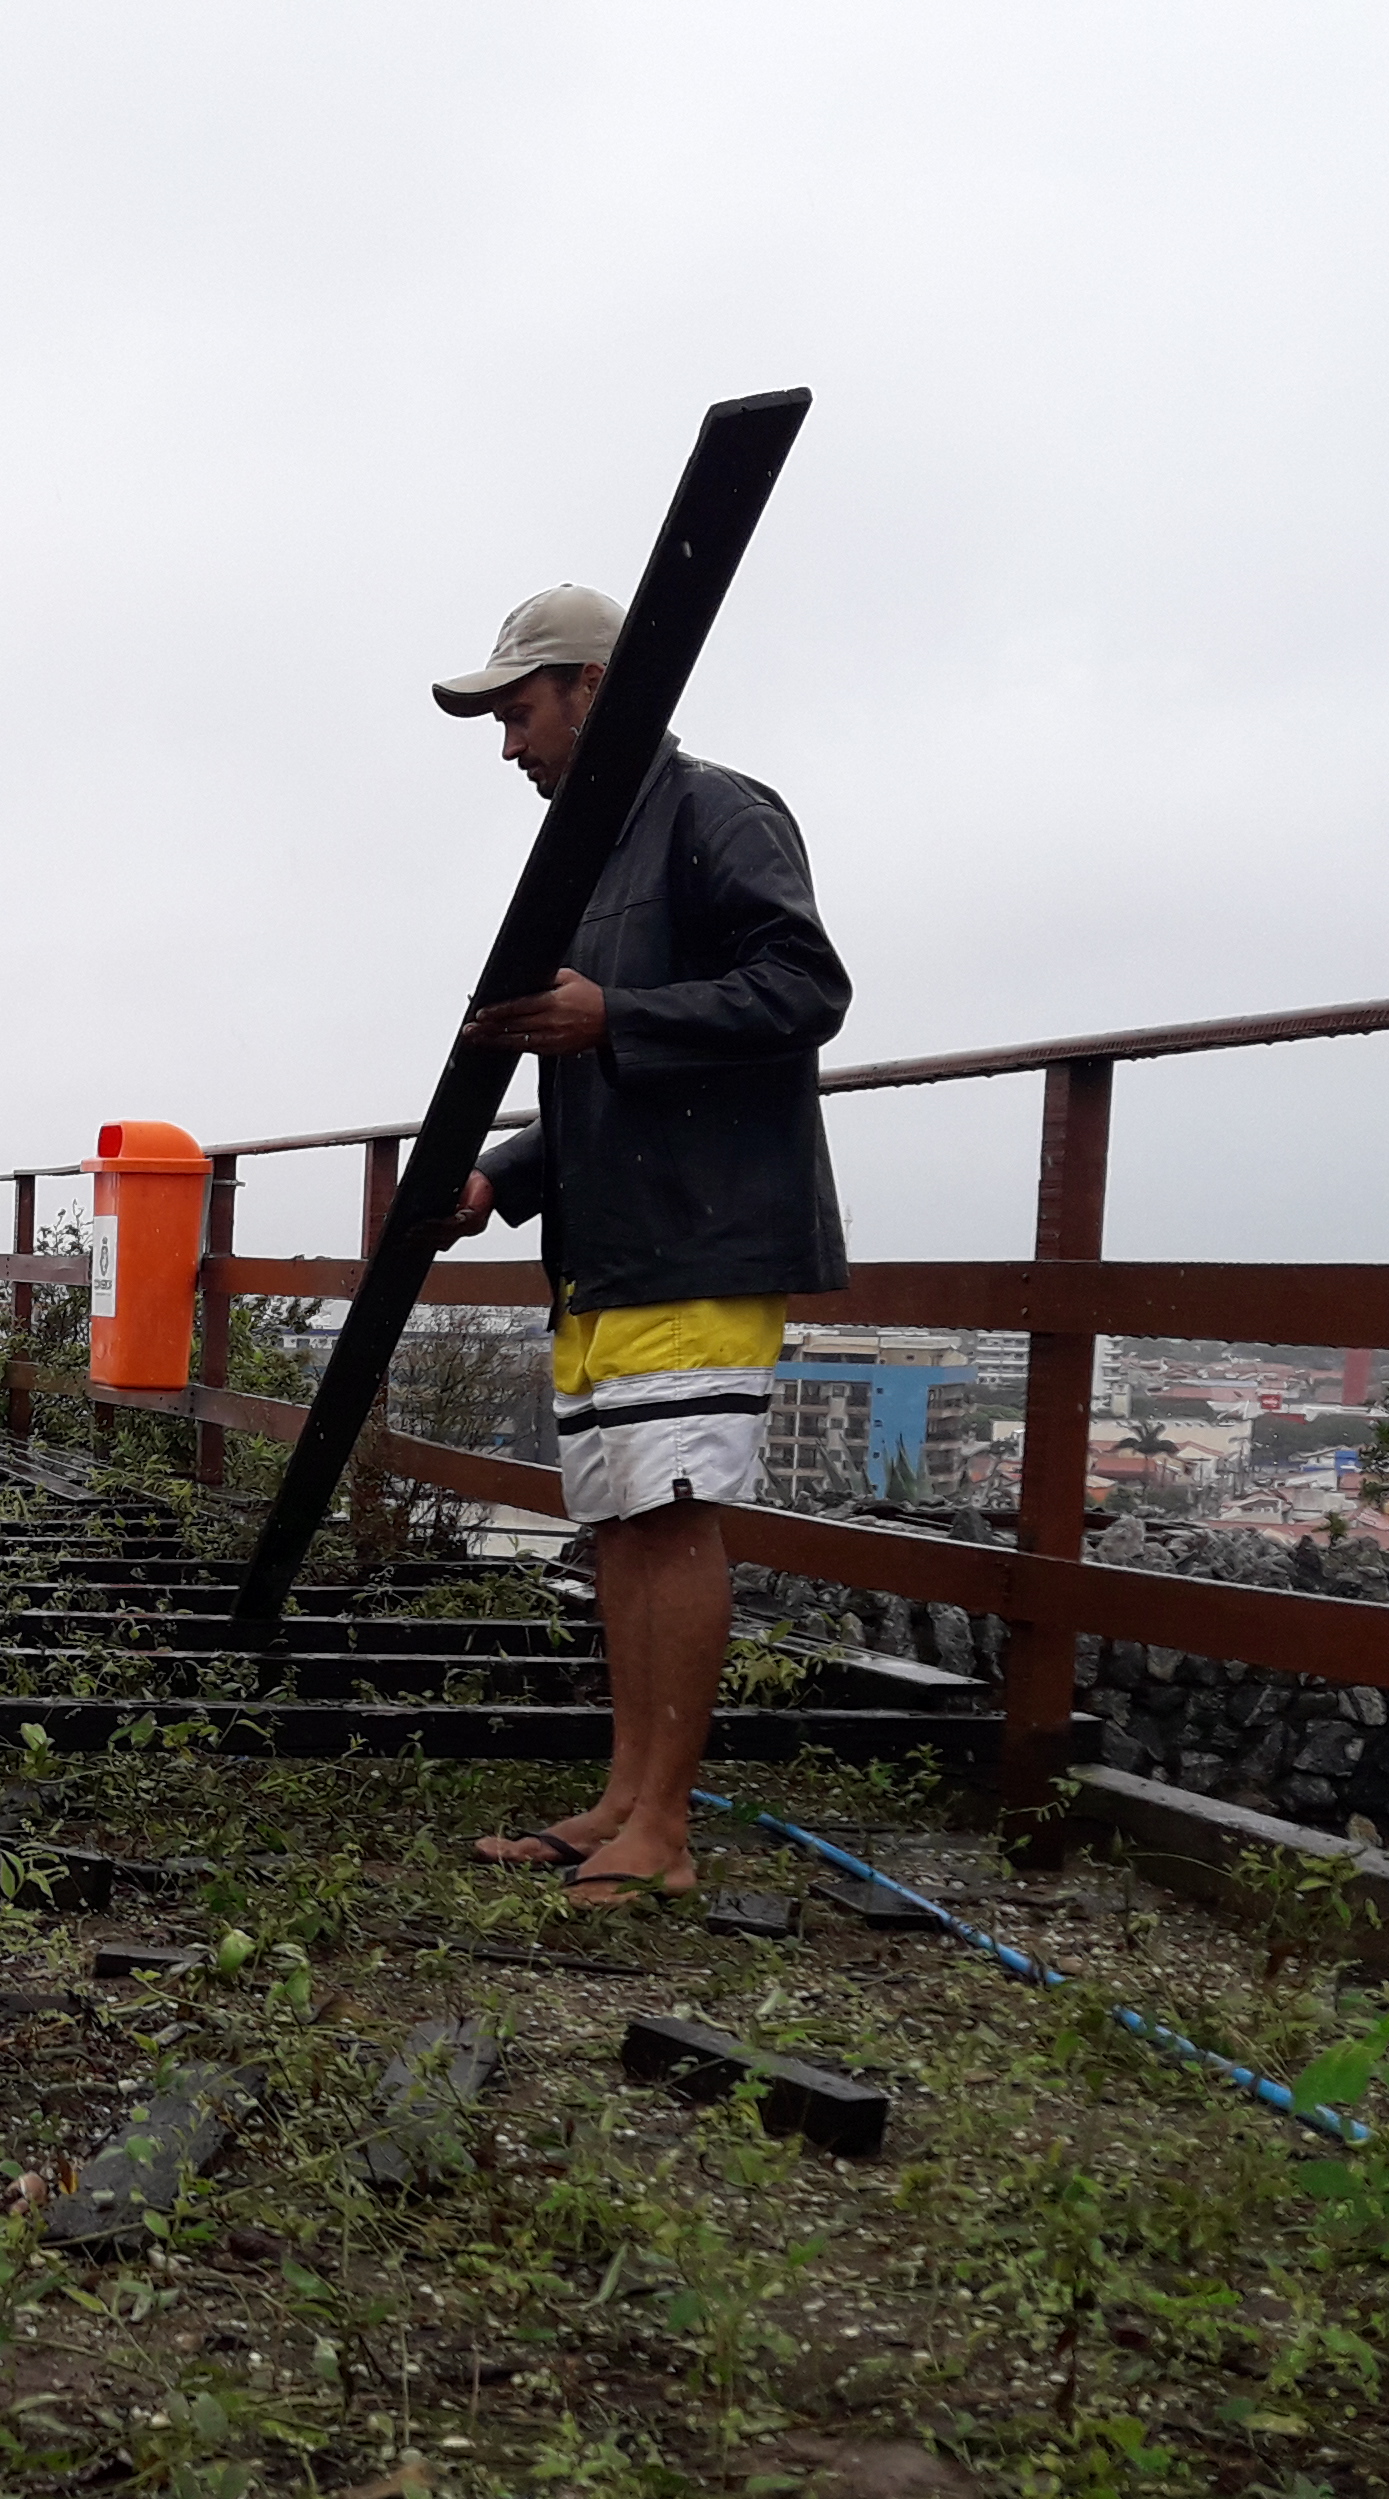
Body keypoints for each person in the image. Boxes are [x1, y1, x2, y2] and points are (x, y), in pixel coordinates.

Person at [427, 583, 852, 1905]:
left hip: (701, 1233)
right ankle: (621, 1798)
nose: (510, 746)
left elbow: (804, 989)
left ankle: (661, 1829)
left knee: (669, 1520)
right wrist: (504, 1177)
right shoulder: (592, 855)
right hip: (608, 1246)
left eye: (521, 710)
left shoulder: (717, 811)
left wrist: (616, 1015)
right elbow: (594, 1055)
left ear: (598, 687)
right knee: (618, 1526)